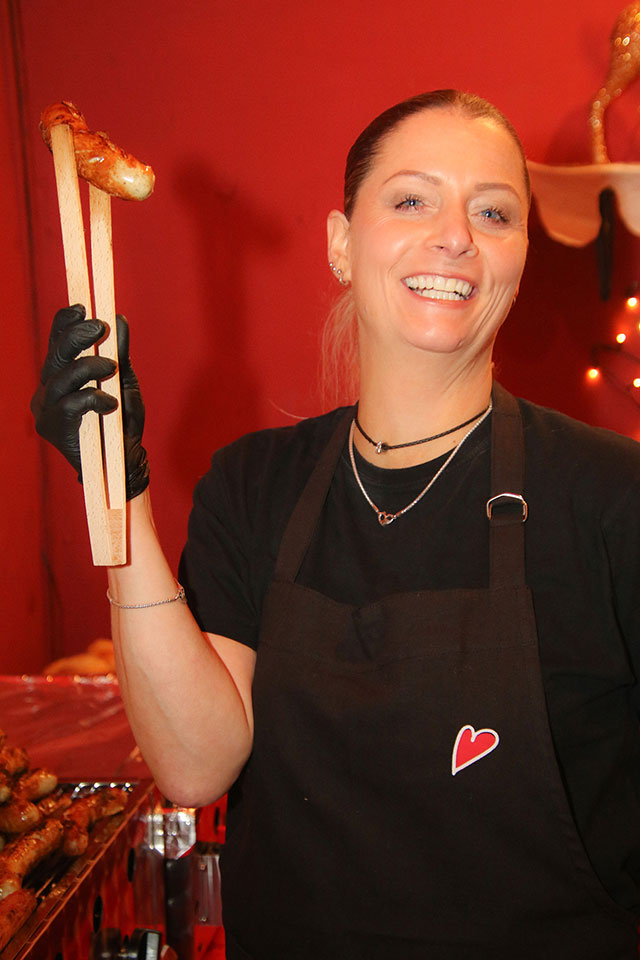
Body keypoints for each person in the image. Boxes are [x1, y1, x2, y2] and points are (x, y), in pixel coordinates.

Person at [31, 90, 640, 959]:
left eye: (494, 212)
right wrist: (115, 489)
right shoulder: (254, 485)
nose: (456, 236)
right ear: (341, 244)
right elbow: (195, 764)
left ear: (520, 256)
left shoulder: (612, 495)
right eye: (412, 199)